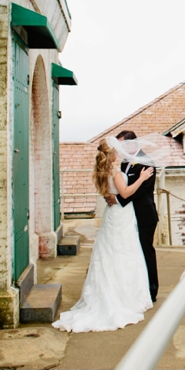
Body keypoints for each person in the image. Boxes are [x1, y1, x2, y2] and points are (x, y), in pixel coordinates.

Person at [52, 138, 154, 332]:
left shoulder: (102, 172)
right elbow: (125, 194)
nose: (119, 153)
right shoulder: (115, 172)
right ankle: (124, 298)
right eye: (116, 150)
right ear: (111, 154)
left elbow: (111, 194)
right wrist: (141, 178)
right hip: (121, 216)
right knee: (124, 252)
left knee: (110, 253)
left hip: (112, 216)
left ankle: (113, 293)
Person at [114, 130, 160, 303]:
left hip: (145, 214)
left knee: (146, 251)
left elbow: (141, 191)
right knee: (133, 252)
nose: (121, 149)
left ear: (133, 143)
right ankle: (137, 288)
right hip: (130, 215)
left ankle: (151, 290)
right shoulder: (125, 162)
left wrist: (118, 199)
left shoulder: (147, 162)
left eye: (123, 144)